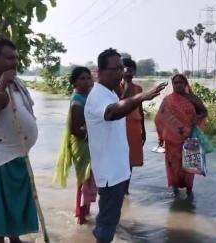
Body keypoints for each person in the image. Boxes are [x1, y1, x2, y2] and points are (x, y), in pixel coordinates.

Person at [84, 48, 166, 243]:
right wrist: (141, 97)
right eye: (116, 68)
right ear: (100, 71)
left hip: (117, 171)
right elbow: (112, 113)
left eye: (122, 68)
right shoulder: (98, 96)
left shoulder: (110, 92)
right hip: (110, 174)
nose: (121, 72)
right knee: (107, 222)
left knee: (109, 219)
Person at [0, 38, 38, 243]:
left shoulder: (16, 81)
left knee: (15, 205)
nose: (14, 62)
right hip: (1, 157)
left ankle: (15, 239)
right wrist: (1, 87)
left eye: (16, 58)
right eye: (9, 58)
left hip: (19, 153)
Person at [53, 66, 97, 225]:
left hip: (89, 142)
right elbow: (75, 129)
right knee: (84, 178)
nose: (86, 81)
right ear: (74, 82)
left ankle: (85, 211)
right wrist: (91, 137)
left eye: (88, 78)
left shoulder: (89, 96)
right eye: (82, 78)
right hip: (82, 143)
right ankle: (81, 215)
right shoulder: (77, 100)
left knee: (89, 178)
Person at [155, 74, 207, 197]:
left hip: (190, 138)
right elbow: (159, 118)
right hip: (172, 141)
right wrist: (161, 137)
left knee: (189, 168)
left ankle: (189, 193)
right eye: (175, 83)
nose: (178, 85)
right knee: (174, 168)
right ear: (172, 85)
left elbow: (204, 111)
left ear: (185, 84)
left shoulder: (192, 98)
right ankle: (175, 193)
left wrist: (197, 118)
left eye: (180, 82)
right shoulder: (168, 100)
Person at [118, 58, 146, 195]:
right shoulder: (117, 87)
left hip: (134, 126)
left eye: (131, 69)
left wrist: (143, 130)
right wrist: (127, 86)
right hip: (120, 127)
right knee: (120, 158)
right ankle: (118, 188)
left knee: (131, 159)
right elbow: (119, 104)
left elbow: (140, 109)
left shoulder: (138, 88)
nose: (128, 71)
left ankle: (126, 189)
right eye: (125, 68)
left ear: (134, 72)